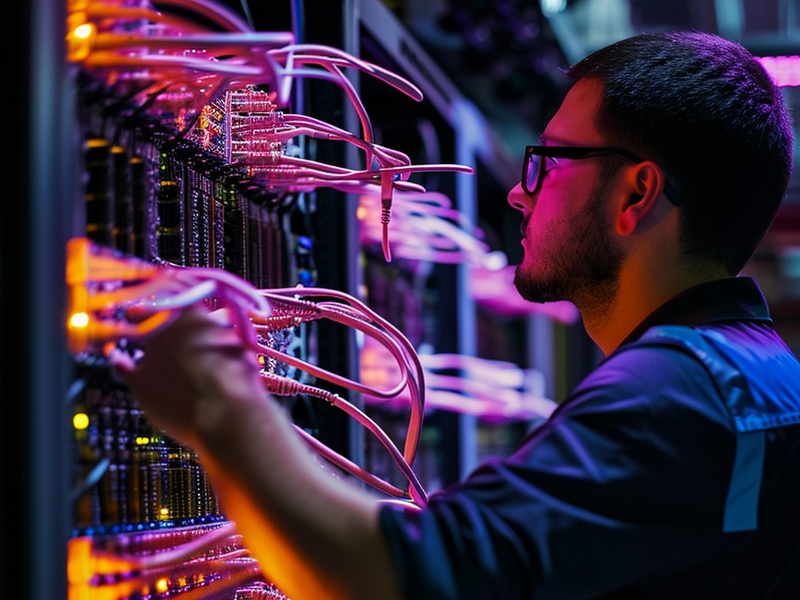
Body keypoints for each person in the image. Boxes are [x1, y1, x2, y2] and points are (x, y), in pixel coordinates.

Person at [114, 31, 800, 600]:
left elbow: (398, 582)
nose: (519, 199)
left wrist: (221, 407)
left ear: (636, 194)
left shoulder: (676, 394)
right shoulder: (758, 378)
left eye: (549, 162)